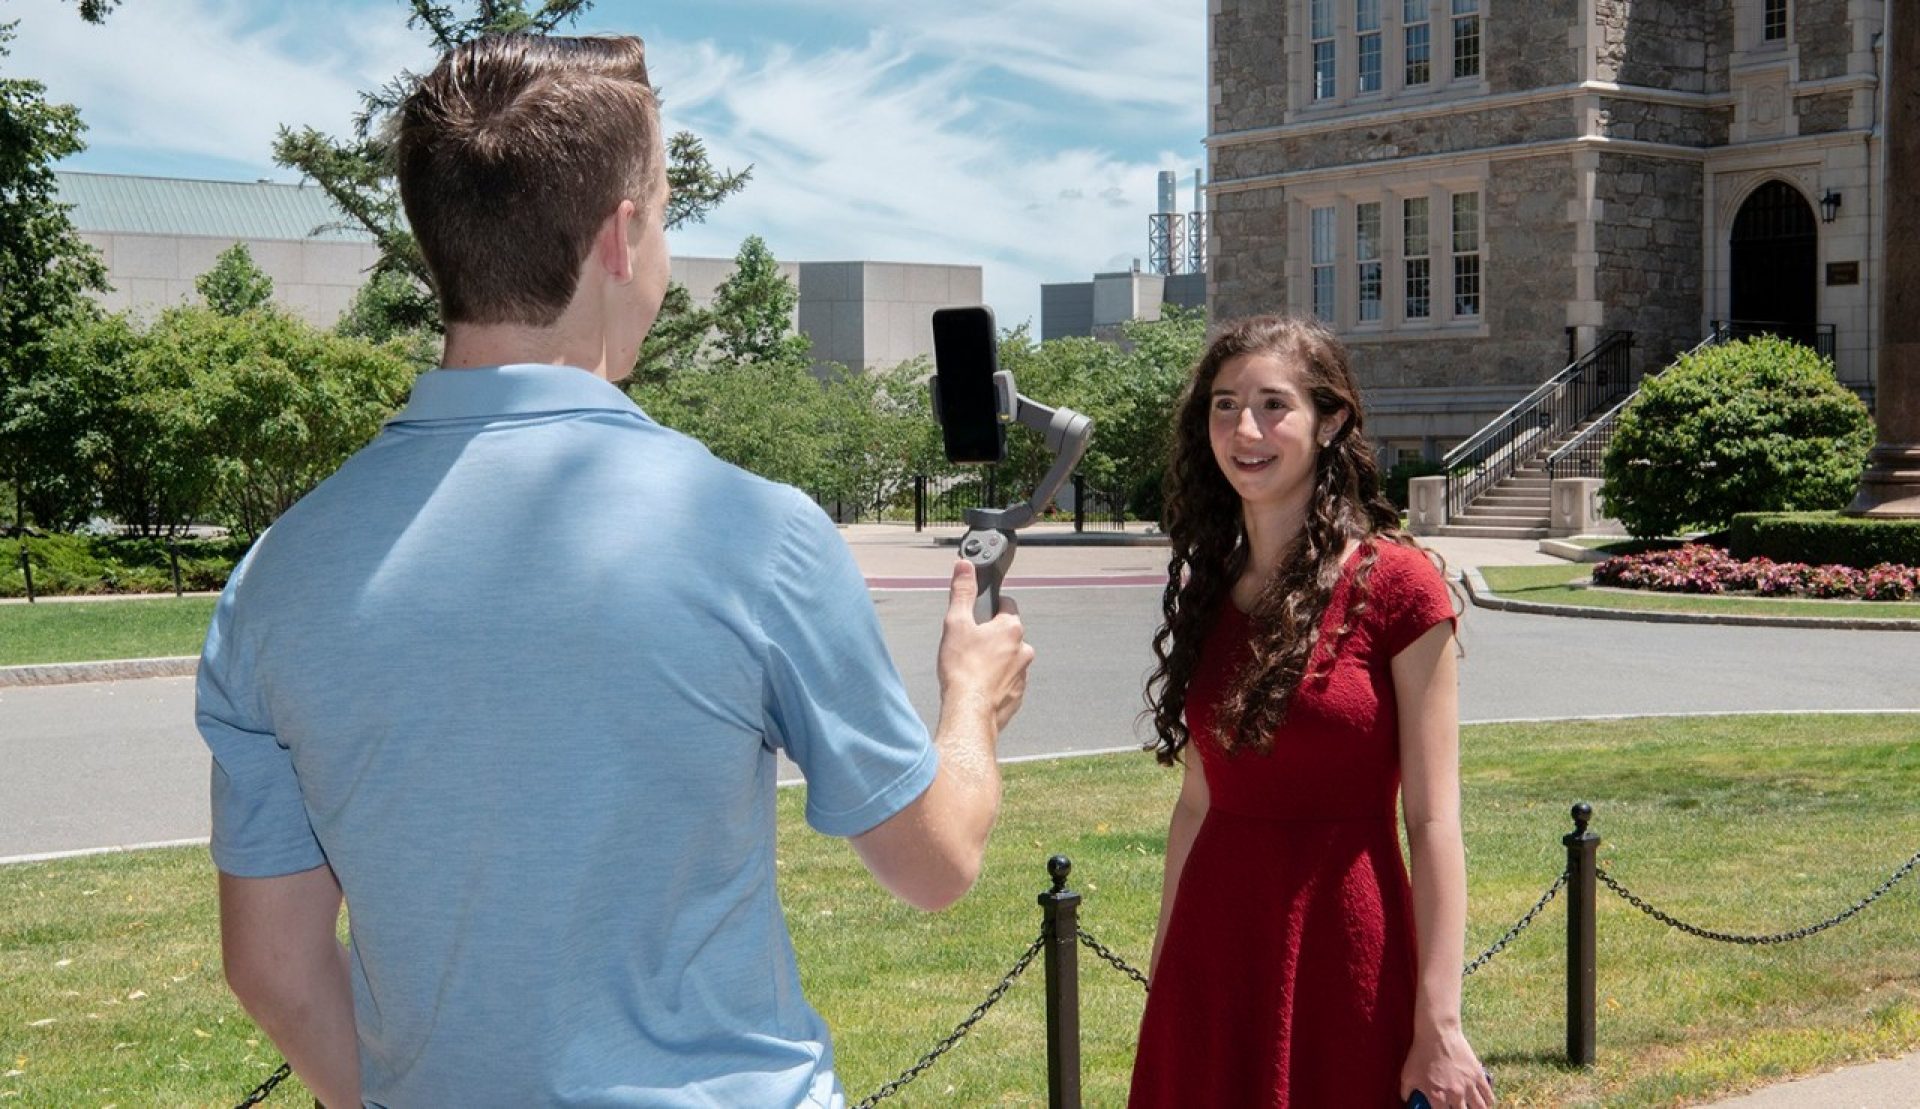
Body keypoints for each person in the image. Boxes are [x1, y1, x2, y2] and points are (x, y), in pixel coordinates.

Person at [197, 34, 1033, 1109]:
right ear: (624, 236)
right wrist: (972, 700)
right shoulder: (758, 535)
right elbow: (934, 859)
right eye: (669, 213)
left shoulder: (276, 578)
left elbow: (272, 963)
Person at [1127, 316, 1492, 1109]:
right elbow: (1196, 804)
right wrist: (1166, 980)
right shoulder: (1208, 589)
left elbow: (1433, 823)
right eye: (1224, 405)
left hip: (1343, 948)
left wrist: (1440, 1018)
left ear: (1330, 423)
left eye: (1272, 405)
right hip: (1213, 956)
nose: (1244, 429)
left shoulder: (1399, 587)